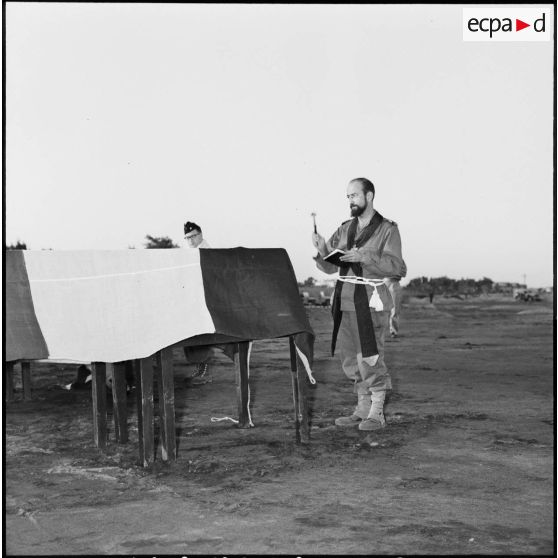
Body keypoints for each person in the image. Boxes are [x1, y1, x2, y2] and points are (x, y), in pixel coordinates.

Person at [312, 178, 406, 431]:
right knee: (349, 359)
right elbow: (330, 266)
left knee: (370, 357)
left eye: (354, 195)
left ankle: (377, 413)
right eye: (348, 196)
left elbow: (397, 267)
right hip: (344, 301)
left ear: (370, 196)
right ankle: (362, 408)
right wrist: (322, 250)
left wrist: (364, 256)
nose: (350, 200)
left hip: (371, 302)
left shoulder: (388, 229)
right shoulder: (344, 229)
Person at [183, 221, 212, 384]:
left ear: (200, 234)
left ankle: (204, 371)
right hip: (192, 298)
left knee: (201, 334)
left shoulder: (207, 251)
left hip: (205, 298)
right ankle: (200, 369)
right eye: (187, 238)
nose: (191, 241)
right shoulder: (188, 253)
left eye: (193, 236)